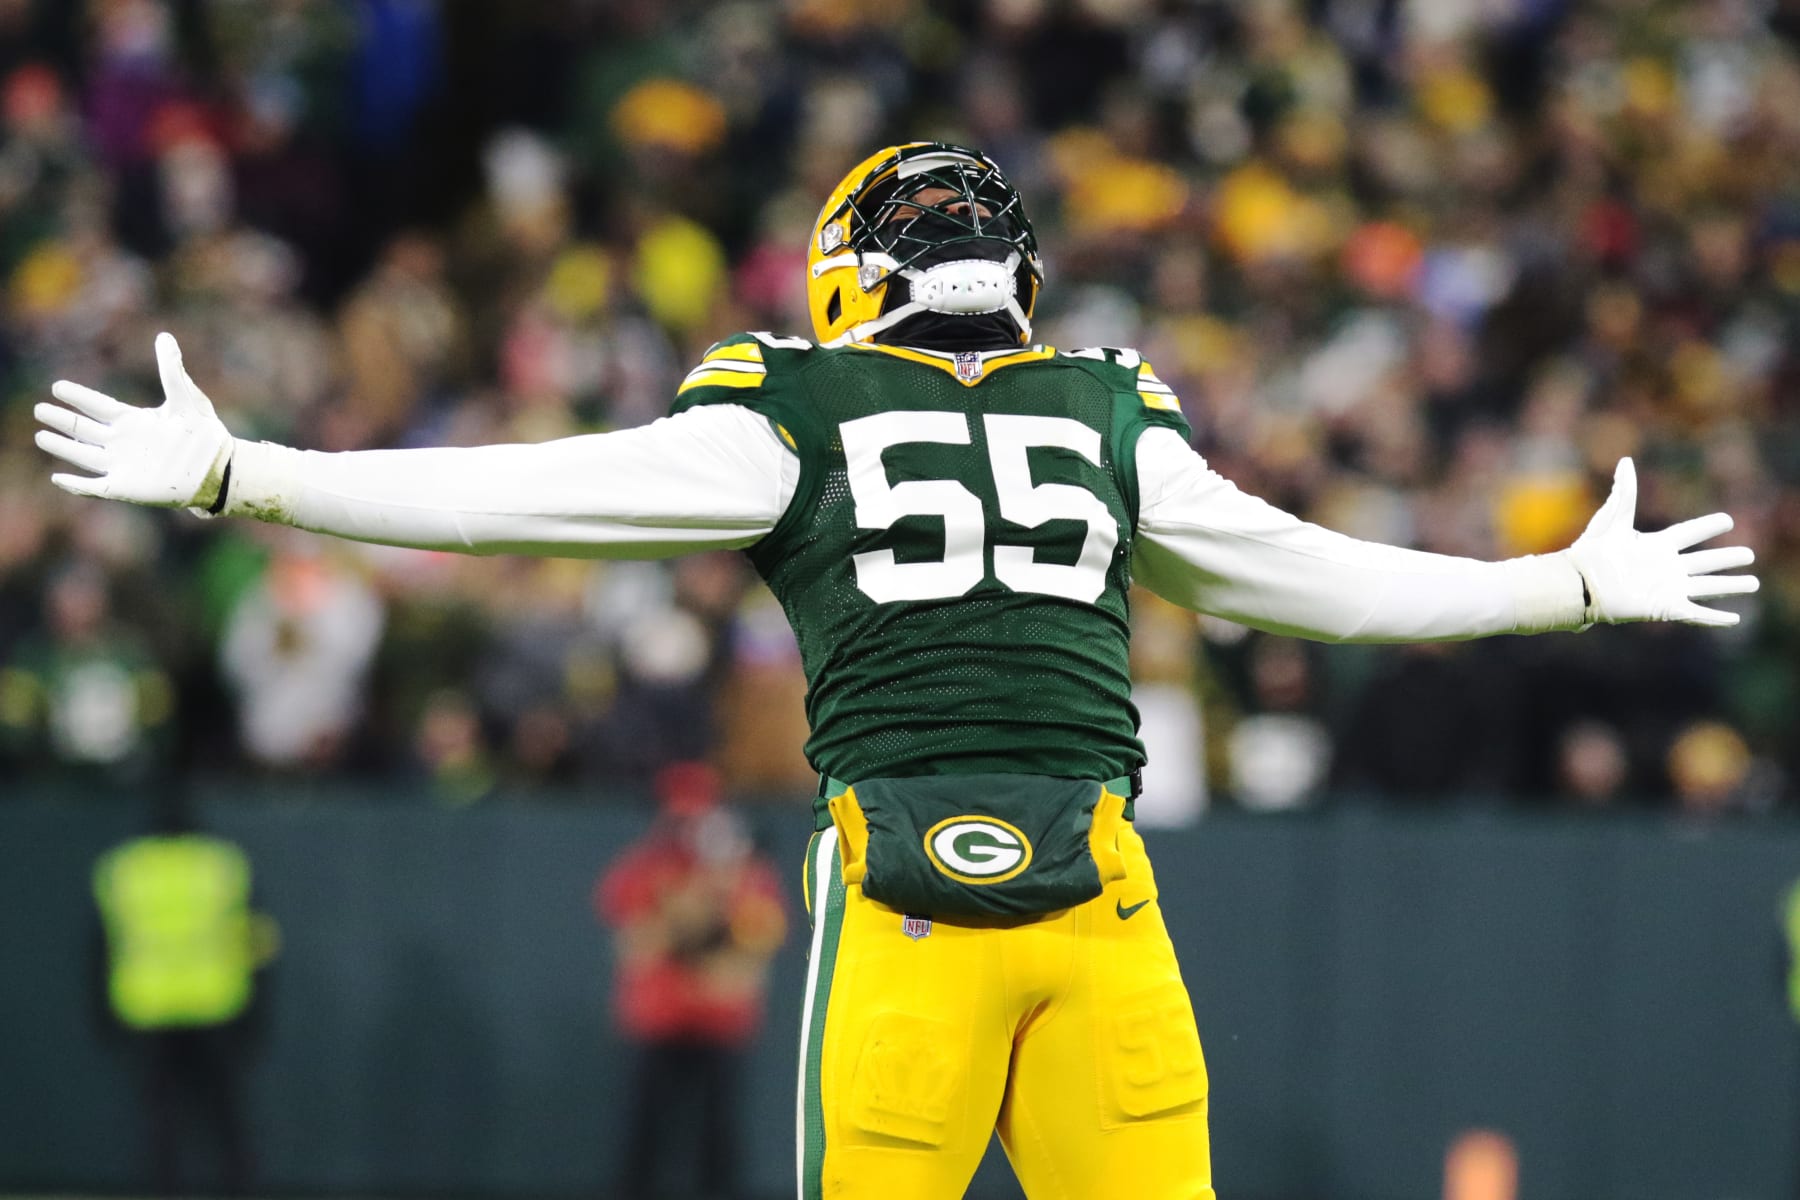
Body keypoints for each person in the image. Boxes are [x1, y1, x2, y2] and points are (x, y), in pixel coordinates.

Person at [35, 143, 1758, 1199]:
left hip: (909, 910)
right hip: (1105, 913)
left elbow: (515, 498)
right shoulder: (1109, 408)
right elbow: (1324, 586)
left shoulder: (795, 404)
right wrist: (1559, 586)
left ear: (857, 275)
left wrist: (249, 476)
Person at [595, 762, 787, 1199]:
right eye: (677, 816)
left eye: (695, 815)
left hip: (719, 1024)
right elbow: (637, 945)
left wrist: (718, 908)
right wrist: (695, 911)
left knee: (718, 1141)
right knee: (644, 1137)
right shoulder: (645, 866)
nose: (684, 827)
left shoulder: (745, 870)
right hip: (657, 1019)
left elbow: (754, 950)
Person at [92, 793, 278, 1196]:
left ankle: (166, 1191)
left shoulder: (125, 868)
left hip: (149, 1007)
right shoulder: (221, 864)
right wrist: (261, 1000)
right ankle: (238, 1188)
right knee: (225, 1117)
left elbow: (101, 945)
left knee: (161, 1119)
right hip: (216, 1004)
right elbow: (257, 936)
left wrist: (101, 1009)